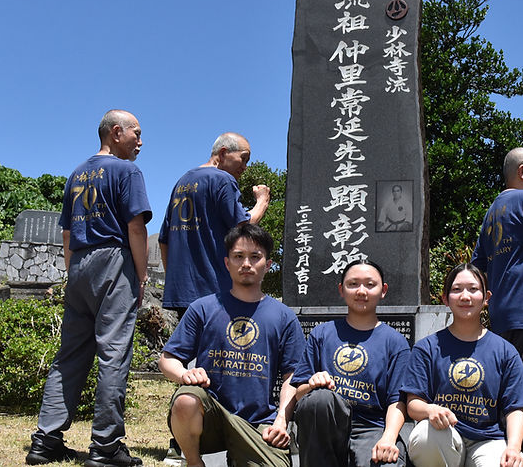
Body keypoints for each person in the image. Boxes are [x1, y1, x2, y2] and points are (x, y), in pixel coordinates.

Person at [26, 109, 151, 467]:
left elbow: (66, 233)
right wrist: (140, 277)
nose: (141, 142)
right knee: (114, 353)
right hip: (113, 260)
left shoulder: (76, 174)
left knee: (69, 356)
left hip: (79, 263)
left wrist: (73, 275)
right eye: (136, 134)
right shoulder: (127, 171)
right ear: (116, 132)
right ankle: (106, 446)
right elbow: (137, 228)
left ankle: (46, 440)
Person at [158, 224, 305, 467]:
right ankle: (194, 462)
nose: (246, 263)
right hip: (210, 415)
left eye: (255, 257)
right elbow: (167, 359)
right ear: (227, 263)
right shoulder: (203, 308)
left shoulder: (284, 317)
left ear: (268, 265)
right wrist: (185, 374)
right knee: (186, 399)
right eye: (238, 257)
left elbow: (293, 375)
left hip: (258, 421)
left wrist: (282, 419)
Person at [470, 147, 523, 457]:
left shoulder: (493, 209)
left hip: (499, 316)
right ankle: (521, 456)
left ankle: (499, 452)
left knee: (504, 389)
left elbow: (477, 264)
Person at [402, 263, 523, 467]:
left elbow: (516, 407)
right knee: (425, 436)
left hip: (487, 440)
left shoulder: (505, 351)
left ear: (486, 298)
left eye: (473, 289)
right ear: (445, 299)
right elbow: (413, 403)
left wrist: (514, 448)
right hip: (444, 434)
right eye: (456, 290)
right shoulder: (427, 348)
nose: (465, 296)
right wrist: (430, 410)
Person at [292, 260, 411, 467]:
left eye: (370, 284)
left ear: (383, 291)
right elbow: (300, 393)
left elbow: (397, 400)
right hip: (326, 427)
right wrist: (312, 384)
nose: (361, 291)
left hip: (371, 427)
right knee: (319, 399)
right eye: (353, 284)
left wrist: (389, 438)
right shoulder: (322, 334)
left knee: (388, 462)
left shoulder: (395, 342)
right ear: (341, 289)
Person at [158, 132, 270, 318]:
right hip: (214, 290)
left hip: (182, 294)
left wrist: (176, 279)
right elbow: (243, 225)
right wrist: (262, 201)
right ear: (224, 152)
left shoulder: (182, 182)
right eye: (243, 159)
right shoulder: (222, 180)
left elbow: (164, 240)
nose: (244, 167)